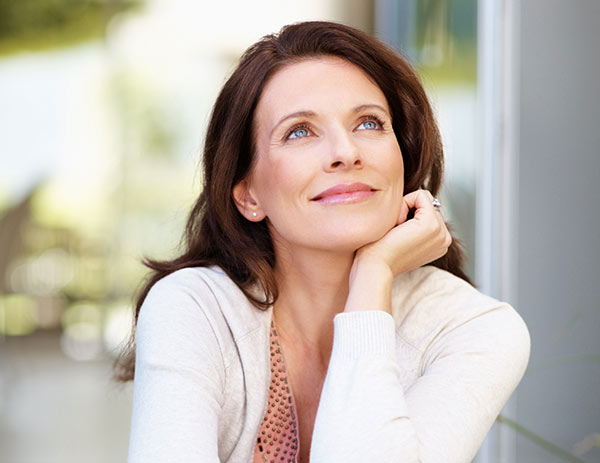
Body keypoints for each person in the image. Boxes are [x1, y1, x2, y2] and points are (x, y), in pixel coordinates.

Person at [117, 21, 530, 463]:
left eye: (369, 123)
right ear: (249, 195)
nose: (346, 151)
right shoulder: (194, 309)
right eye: (299, 131)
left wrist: (374, 276)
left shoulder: (477, 329)